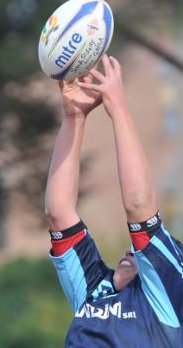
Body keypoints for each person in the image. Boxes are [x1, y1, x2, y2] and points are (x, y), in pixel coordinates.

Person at [45, 54, 183, 348]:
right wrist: (74, 118)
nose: (132, 250)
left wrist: (119, 109)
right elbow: (59, 213)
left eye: (142, 252)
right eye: (137, 249)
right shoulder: (96, 289)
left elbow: (139, 207)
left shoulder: (168, 298)